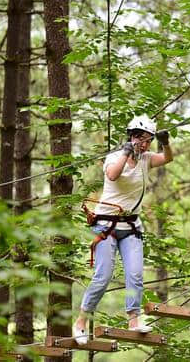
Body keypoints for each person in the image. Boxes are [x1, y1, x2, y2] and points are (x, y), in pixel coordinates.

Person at [73, 114, 173, 344]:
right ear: (131, 137)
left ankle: (134, 319)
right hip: (105, 225)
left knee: (136, 274)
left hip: (131, 226)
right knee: (103, 276)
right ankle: (80, 322)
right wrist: (127, 151)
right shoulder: (115, 157)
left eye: (148, 140)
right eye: (141, 139)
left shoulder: (147, 159)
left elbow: (167, 159)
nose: (145, 145)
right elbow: (112, 175)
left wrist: (165, 142)